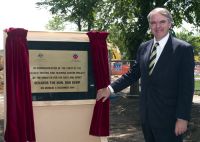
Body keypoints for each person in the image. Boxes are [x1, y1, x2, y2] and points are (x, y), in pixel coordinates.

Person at [97, 7, 194, 142]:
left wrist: (182, 118)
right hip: (147, 117)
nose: (157, 26)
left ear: (170, 24)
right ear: (149, 26)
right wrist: (110, 89)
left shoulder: (183, 49)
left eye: (162, 22)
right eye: (153, 23)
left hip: (170, 120)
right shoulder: (144, 47)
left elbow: (187, 87)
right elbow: (133, 74)